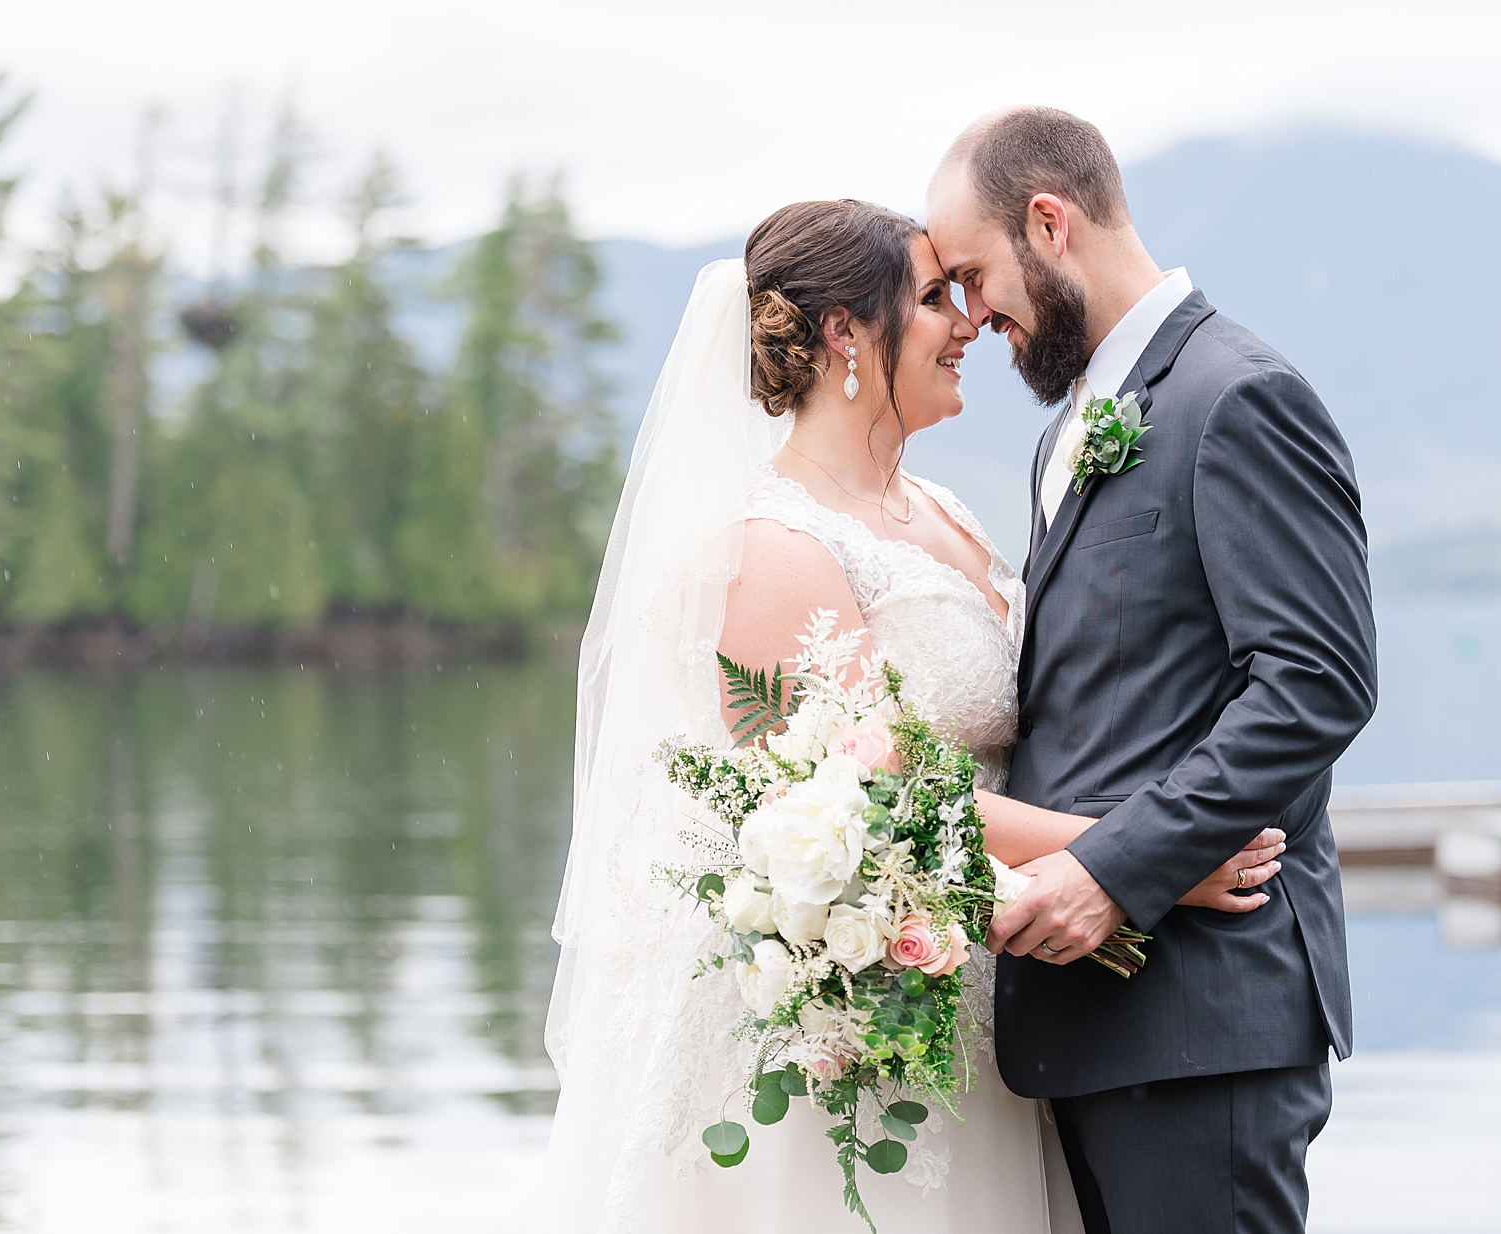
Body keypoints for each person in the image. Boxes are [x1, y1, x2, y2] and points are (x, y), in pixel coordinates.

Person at [540, 195, 1287, 1232]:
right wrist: (1148, 855)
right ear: (845, 331)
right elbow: (877, 800)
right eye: (936, 298)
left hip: (999, 989)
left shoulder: (949, 515)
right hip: (872, 1027)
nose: (969, 323)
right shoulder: (772, 547)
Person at [925, 107, 1378, 1234]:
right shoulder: (1064, 429)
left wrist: (1110, 871)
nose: (974, 316)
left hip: (1204, 1016)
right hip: (1089, 1024)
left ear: (1050, 223)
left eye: (977, 276)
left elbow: (1315, 682)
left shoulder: (1237, 396)